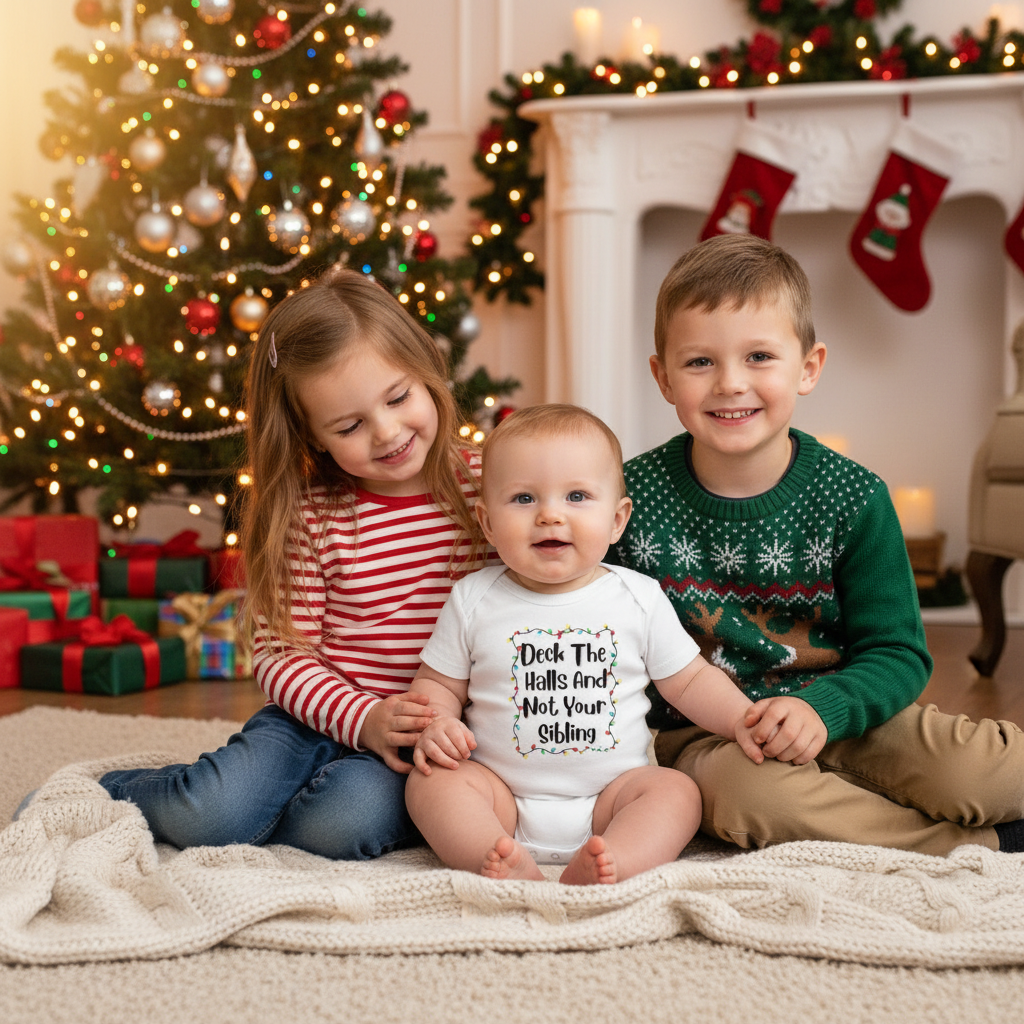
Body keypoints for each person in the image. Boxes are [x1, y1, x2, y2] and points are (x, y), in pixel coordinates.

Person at [610, 232, 1024, 856]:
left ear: (808, 367)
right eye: (700, 362)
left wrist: (824, 711)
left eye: (758, 357)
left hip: (845, 710)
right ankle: (975, 846)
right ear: (662, 376)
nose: (729, 383)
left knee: (984, 773)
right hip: (702, 737)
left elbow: (897, 653)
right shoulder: (626, 501)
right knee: (753, 800)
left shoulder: (853, 496)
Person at [96, 267, 495, 859]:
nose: (387, 432)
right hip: (314, 721)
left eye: (399, 397)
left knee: (344, 826)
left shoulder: (491, 486)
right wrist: (362, 720)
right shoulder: (313, 515)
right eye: (350, 425)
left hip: (429, 742)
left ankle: (270, 811)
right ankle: (111, 793)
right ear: (313, 438)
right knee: (214, 813)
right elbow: (282, 658)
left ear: (426, 371)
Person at [404, 404, 765, 885]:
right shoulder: (474, 598)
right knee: (432, 784)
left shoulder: (637, 596)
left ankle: (613, 859)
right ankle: (494, 856)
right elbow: (438, 683)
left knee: (677, 792)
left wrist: (744, 718)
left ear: (617, 520)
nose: (550, 515)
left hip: (612, 799)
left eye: (576, 496)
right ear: (487, 523)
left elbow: (691, 679)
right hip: (499, 797)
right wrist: (438, 722)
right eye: (523, 499)